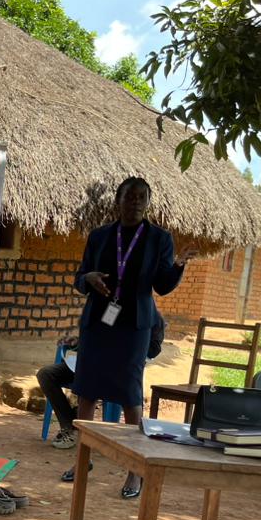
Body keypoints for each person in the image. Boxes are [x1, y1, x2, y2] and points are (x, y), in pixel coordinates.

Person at [67, 176, 196, 498]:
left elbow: (162, 286)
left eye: (141, 197)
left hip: (134, 326)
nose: (135, 202)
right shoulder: (100, 236)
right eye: (130, 196)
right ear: (118, 200)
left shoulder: (159, 239)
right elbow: (80, 277)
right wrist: (89, 278)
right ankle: (82, 460)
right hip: (99, 322)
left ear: (148, 203)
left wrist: (178, 266)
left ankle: (134, 471)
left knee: (130, 395)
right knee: (87, 392)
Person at [40, 313, 166, 450]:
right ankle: (70, 425)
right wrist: (78, 342)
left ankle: (130, 447)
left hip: (118, 371)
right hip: (87, 364)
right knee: (46, 375)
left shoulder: (148, 312)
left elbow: (154, 349)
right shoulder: (109, 307)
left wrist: (126, 350)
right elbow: (96, 336)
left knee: (91, 384)